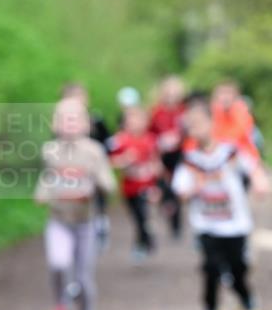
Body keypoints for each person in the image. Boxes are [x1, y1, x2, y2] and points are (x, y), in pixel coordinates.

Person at [172, 95, 269, 310]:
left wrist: (260, 183)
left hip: (235, 225)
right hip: (207, 225)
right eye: (190, 125)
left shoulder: (230, 152)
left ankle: (245, 294)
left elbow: (254, 168)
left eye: (199, 123)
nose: (195, 129)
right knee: (211, 269)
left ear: (211, 122)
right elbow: (181, 192)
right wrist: (196, 186)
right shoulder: (190, 160)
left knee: (238, 269)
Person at [35, 97, 117, 310]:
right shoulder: (50, 151)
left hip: (85, 224)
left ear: (86, 124)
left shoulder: (94, 151)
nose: (70, 124)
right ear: (55, 124)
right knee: (58, 263)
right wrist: (43, 193)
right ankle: (60, 306)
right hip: (59, 221)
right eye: (64, 119)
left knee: (83, 280)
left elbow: (109, 184)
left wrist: (94, 181)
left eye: (75, 119)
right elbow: (46, 182)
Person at [61, 83, 112, 252]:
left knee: (97, 196)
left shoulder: (96, 118)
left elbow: (108, 141)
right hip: (71, 169)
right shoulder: (62, 122)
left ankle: (100, 224)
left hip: (94, 165)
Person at [108, 105, 162, 263]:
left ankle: (142, 244)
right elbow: (109, 162)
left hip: (146, 186)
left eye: (139, 120)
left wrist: (156, 178)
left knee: (143, 215)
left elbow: (156, 162)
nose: (135, 123)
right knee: (136, 217)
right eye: (131, 120)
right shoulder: (120, 140)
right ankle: (147, 239)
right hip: (129, 187)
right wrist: (124, 160)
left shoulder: (151, 139)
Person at [149, 75, 187, 239]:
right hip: (162, 155)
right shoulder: (156, 111)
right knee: (165, 188)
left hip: (180, 154)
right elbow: (150, 133)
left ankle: (176, 224)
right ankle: (168, 210)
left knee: (177, 188)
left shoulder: (184, 111)